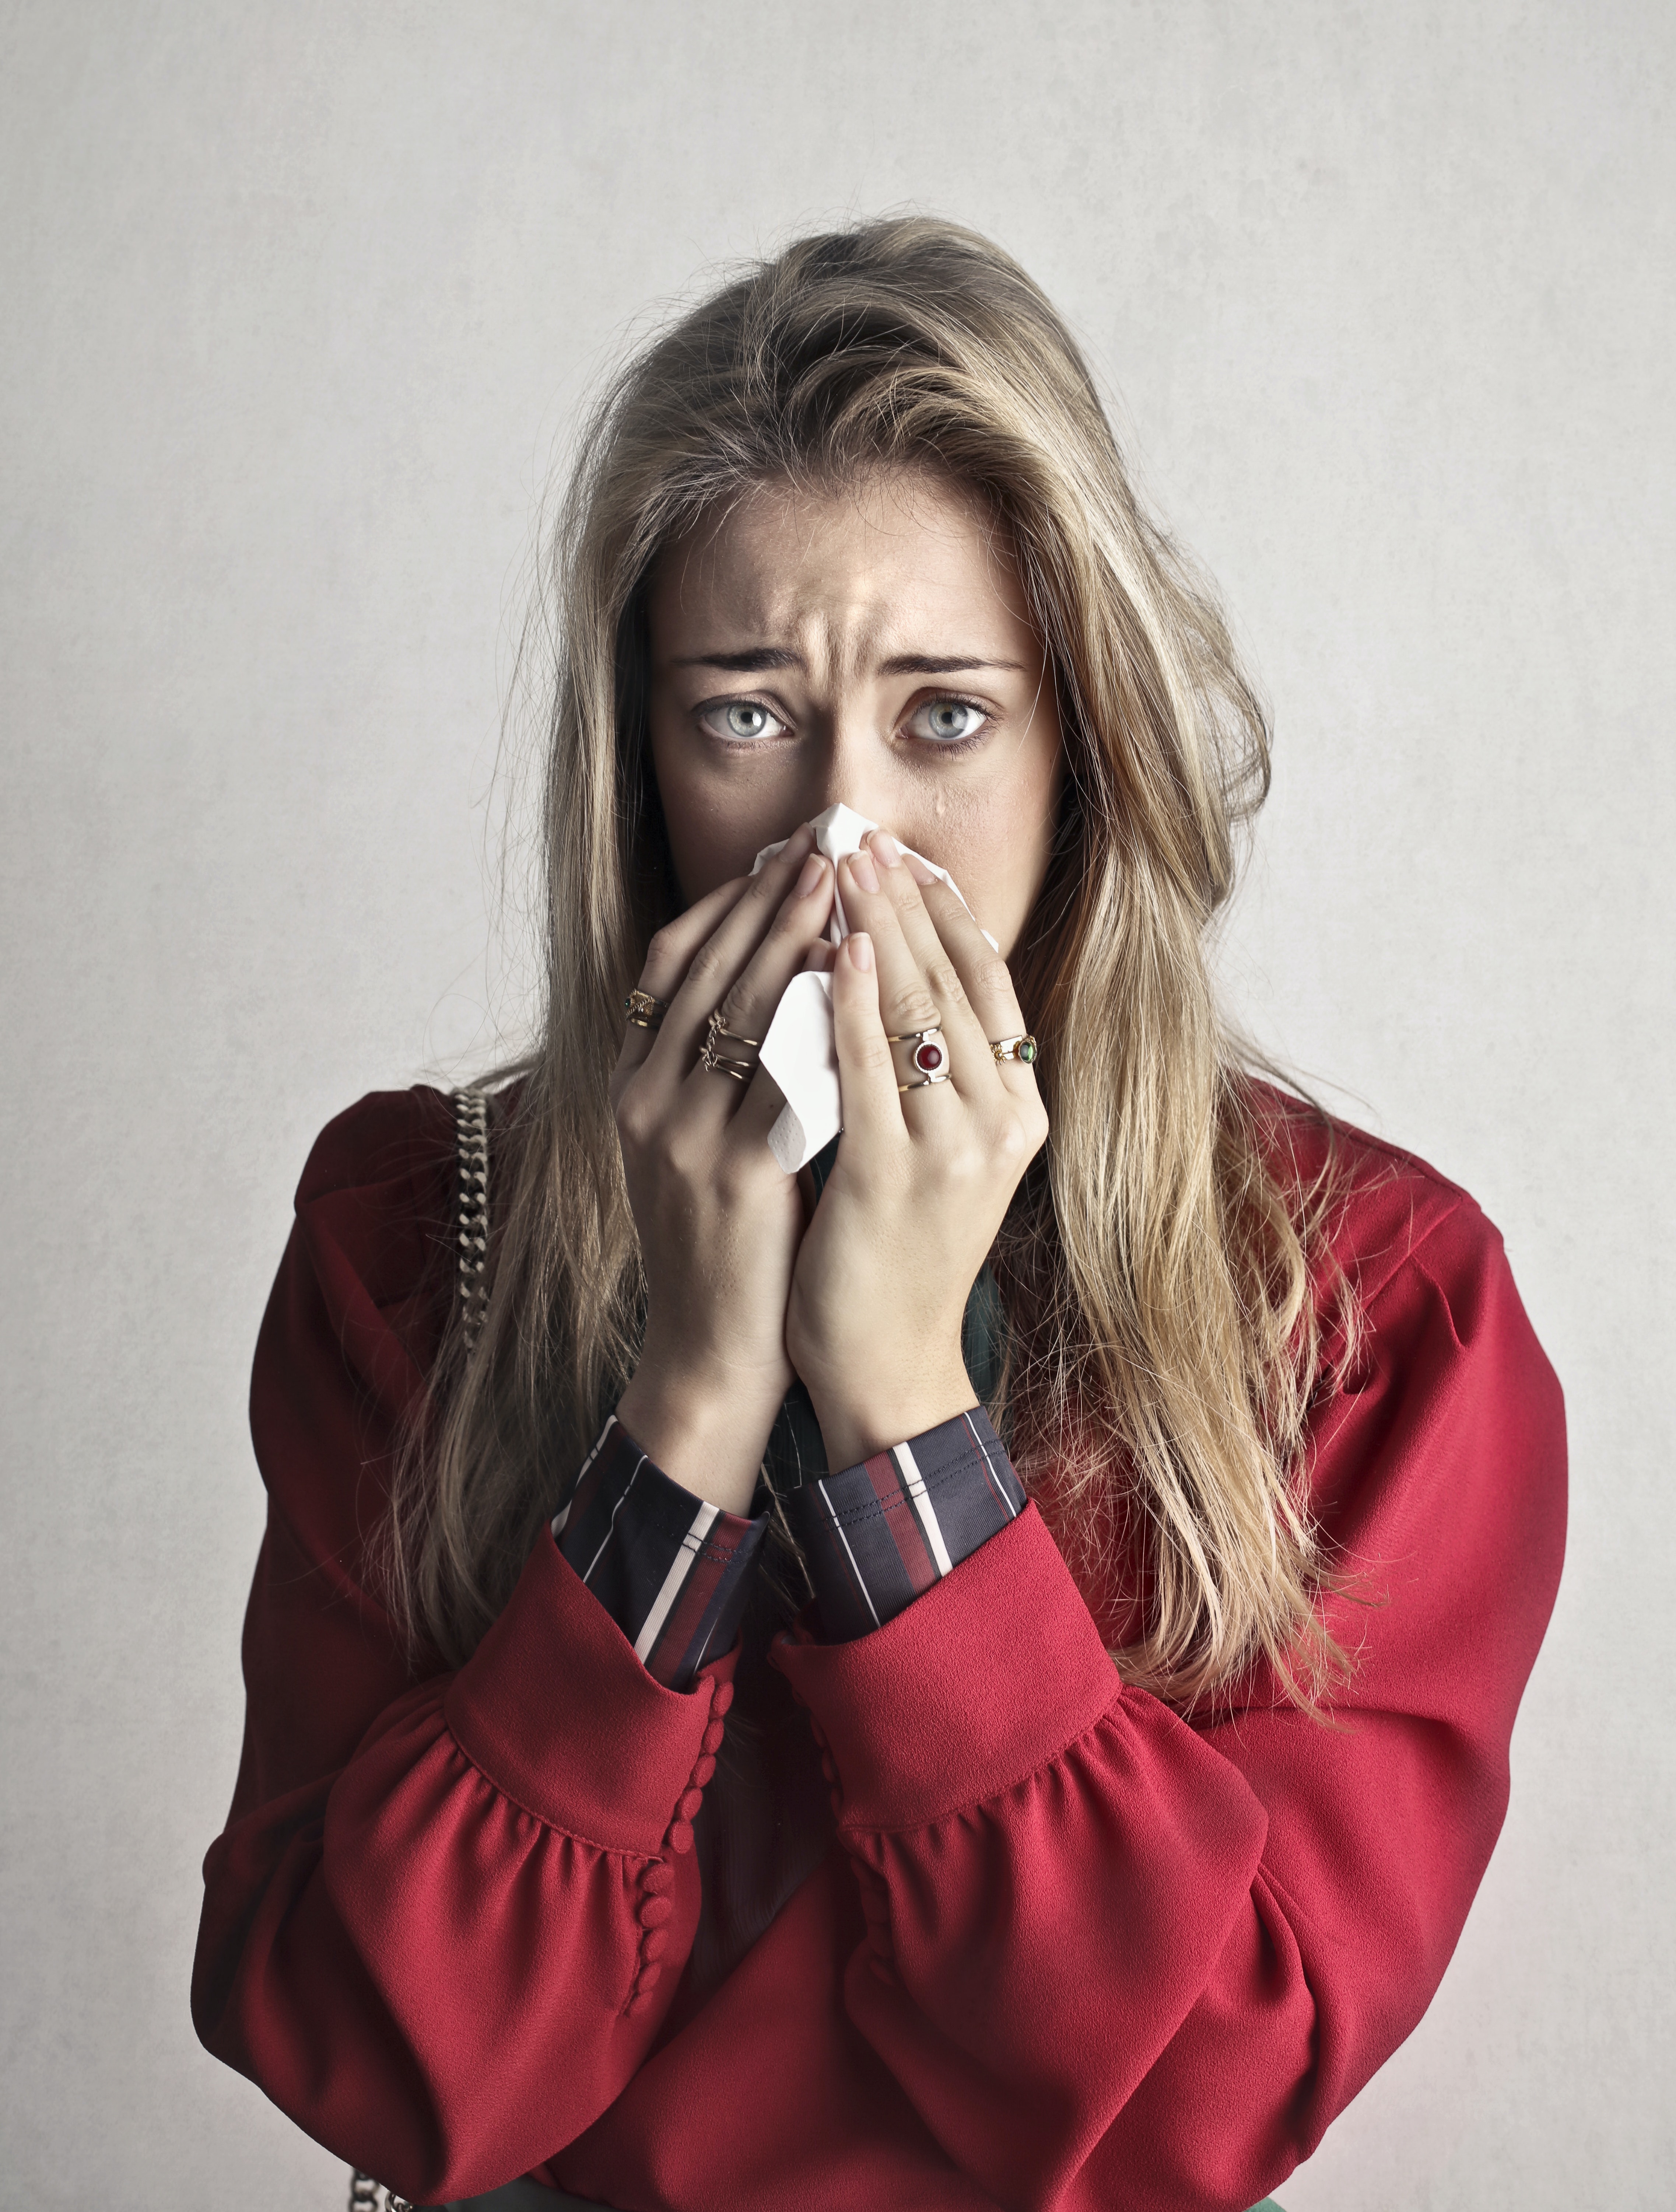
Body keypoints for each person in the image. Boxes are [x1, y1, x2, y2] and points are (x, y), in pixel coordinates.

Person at [191, 218, 1566, 2212]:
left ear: (1078, 740)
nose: (843, 837)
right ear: (641, 766)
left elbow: (1198, 2099)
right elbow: (370, 2047)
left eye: (943, 717)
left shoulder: (1368, 1302)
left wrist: (902, 1410)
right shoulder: (416, 1231)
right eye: (744, 713)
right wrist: (688, 1398)